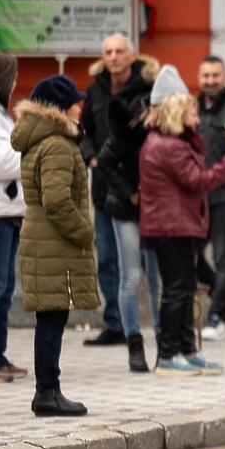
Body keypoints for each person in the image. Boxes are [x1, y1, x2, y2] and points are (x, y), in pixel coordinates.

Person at [139, 92, 225, 375]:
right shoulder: (169, 146)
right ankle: (167, 354)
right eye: (192, 114)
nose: (198, 120)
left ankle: (186, 350)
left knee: (186, 289)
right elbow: (201, 181)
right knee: (176, 291)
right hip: (171, 228)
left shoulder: (171, 142)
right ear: (178, 115)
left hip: (179, 225)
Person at [12, 76, 99, 415]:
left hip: (42, 237)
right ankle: (47, 391)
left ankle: (48, 390)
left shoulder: (40, 140)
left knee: (52, 315)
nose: (81, 106)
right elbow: (58, 202)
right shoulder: (58, 145)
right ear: (59, 109)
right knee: (52, 317)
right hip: (54, 241)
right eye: (75, 101)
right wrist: (84, 232)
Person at [79, 33, 157, 346]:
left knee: (144, 266)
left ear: (132, 55)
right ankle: (115, 324)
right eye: (108, 51)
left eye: (119, 51)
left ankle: (147, 327)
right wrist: (90, 156)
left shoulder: (146, 88)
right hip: (104, 185)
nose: (113, 57)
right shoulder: (95, 88)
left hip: (141, 186)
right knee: (108, 257)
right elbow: (83, 130)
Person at [195, 56, 225, 341]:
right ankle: (224, 295)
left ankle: (218, 315)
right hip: (196, 196)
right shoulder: (190, 108)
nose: (211, 81)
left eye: (215, 75)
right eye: (206, 76)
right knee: (193, 255)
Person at [0, 51, 26, 383]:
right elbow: (5, 162)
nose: (16, 82)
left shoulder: (4, 116)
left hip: (10, 212)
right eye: (12, 76)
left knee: (4, 290)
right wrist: (29, 153)